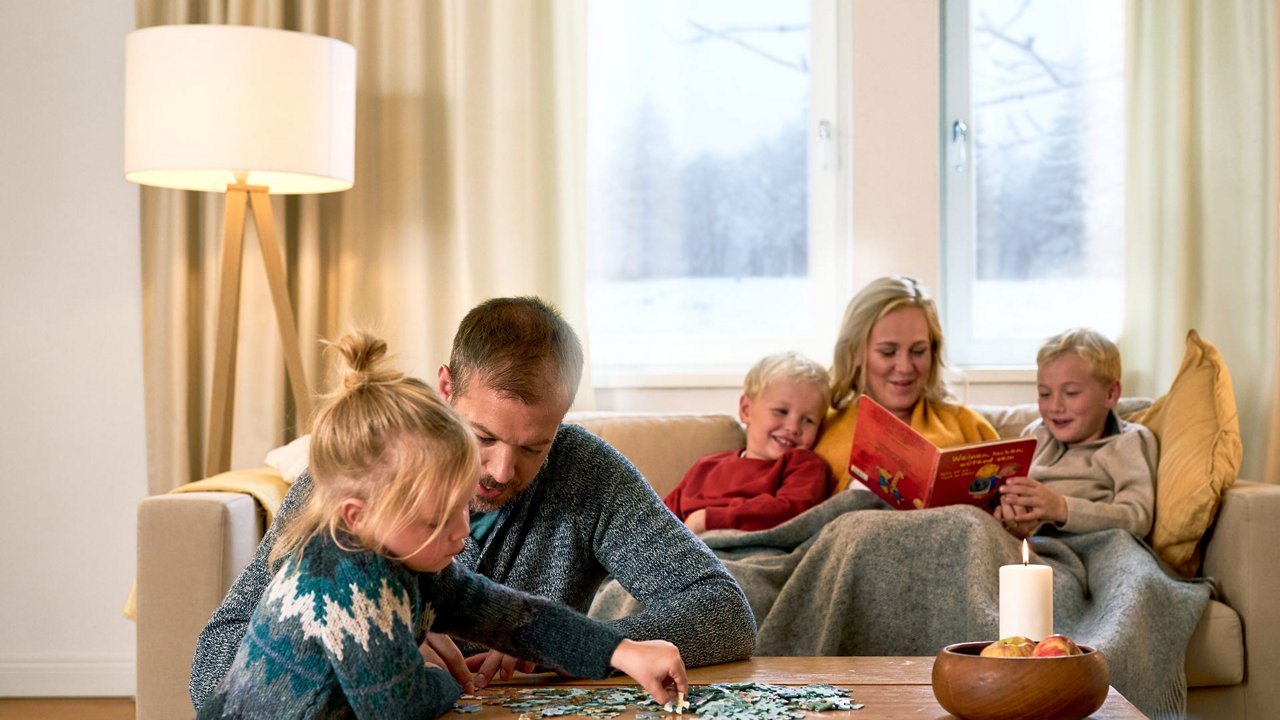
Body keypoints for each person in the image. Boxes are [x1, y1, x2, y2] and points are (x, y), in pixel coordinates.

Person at [190, 297, 755, 710]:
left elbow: (724, 612)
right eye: (481, 438)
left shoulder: (590, 473)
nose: (502, 471)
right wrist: (386, 648)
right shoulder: (363, 470)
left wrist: (564, 651)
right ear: (446, 388)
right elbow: (214, 657)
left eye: (535, 445)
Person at [813, 275, 999, 493]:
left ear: (933, 351)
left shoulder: (969, 426)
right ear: (855, 353)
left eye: (918, 351)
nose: (905, 367)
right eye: (888, 352)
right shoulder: (818, 430)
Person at [996, 328, 1157, 539]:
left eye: (1071, 393)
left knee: (1130, 560)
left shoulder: (1129, 441)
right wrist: (1012, 518)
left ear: (1111, 394)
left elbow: (1136, 517)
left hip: (1099, 546)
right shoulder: (1035, 434)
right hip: (1038, 547)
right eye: (1045, 394)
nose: (1055, 406)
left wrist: (1062, 508)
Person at [663, 351, 831, 533]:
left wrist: (707, 520)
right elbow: (660, 519)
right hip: (690, 549)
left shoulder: (804, 465)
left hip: (750, 549)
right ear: (746, 410)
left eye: (808, 420)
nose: (793, 427)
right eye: (781, 411)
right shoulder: (706, 467)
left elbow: (793, 512)